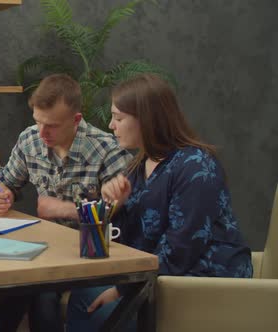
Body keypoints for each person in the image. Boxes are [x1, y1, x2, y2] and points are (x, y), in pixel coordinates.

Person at [66, 74, 253, 331]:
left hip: (204, 284)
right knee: (82, 296)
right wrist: (112, 205)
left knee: (98, 310)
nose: (111, 125)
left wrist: (120, 291)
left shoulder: (196, 166)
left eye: (119, 118)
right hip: (156, 276)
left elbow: (181, 249)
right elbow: (116, 243)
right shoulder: (139, 166)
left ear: (147, 119)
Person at [0, 74, 131, 332]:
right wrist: (2, 193)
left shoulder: (107, 150)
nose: (42, 132)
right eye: (37, 121)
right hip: (45, 250)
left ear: (76, 120)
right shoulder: (30, 140)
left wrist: (60, 209)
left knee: (42, 289)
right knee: (15, 281)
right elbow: (4, 181)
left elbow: (122, 214)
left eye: (52, 125)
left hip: (91, 254)